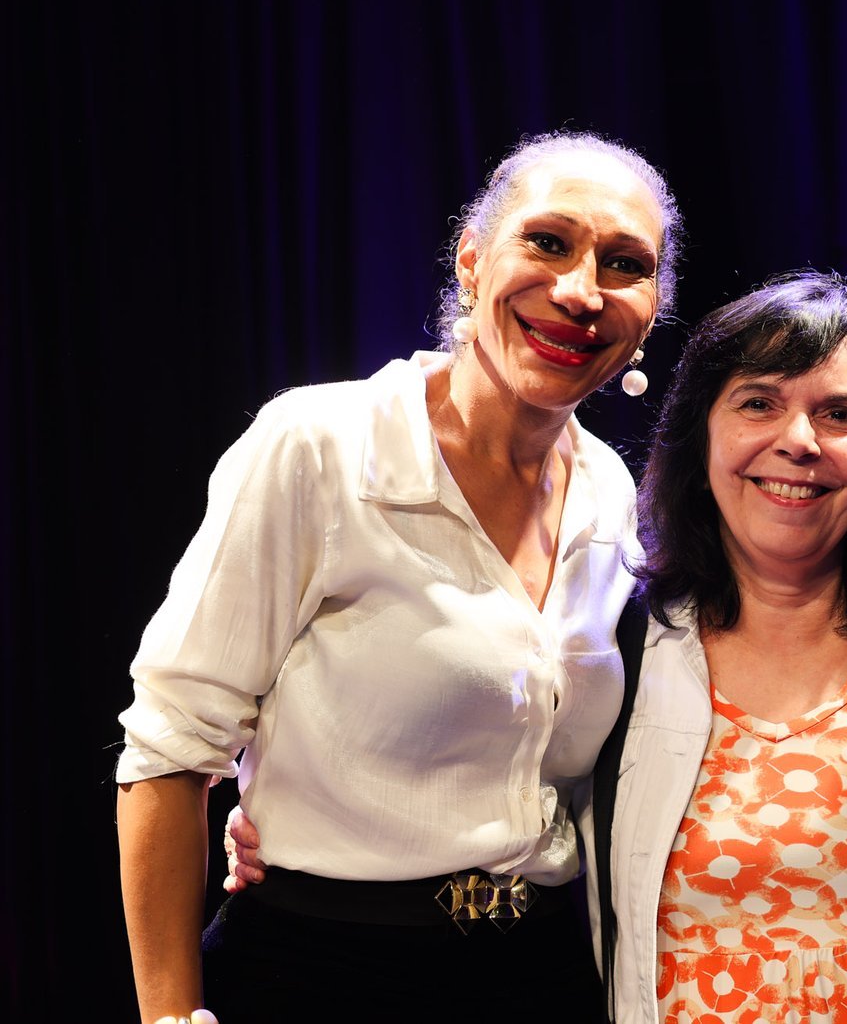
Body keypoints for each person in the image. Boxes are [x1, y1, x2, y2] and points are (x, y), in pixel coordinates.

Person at [229, 271, 847, 1023]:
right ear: (700, 439)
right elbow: (492, 762)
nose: (799, 441)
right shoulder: (623, 650)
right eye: (757, 403)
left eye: (841, 413)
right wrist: (295, 809)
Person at [115, 129, 683, 1024]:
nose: (581, 290)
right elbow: (168, 750)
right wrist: (167, 1016)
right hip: (318, 973)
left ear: (650, 310)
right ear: (470, 258)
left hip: (539, 974)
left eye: (624, 264)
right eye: (547, 241)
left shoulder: (612, 498)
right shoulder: (319, 447)